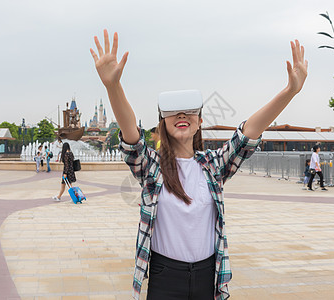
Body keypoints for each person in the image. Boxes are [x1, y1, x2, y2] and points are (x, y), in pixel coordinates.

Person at [90, 30, 308, 300]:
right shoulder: (152, 167)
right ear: (163, 123)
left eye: (190, 111)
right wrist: (113, 86)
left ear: (200, 121)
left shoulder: (213, 166)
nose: (182, 116)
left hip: (207, 275)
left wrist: (290, 91)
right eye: (173, 112)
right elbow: (131, 139)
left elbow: (247, 135)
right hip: (164, 277)